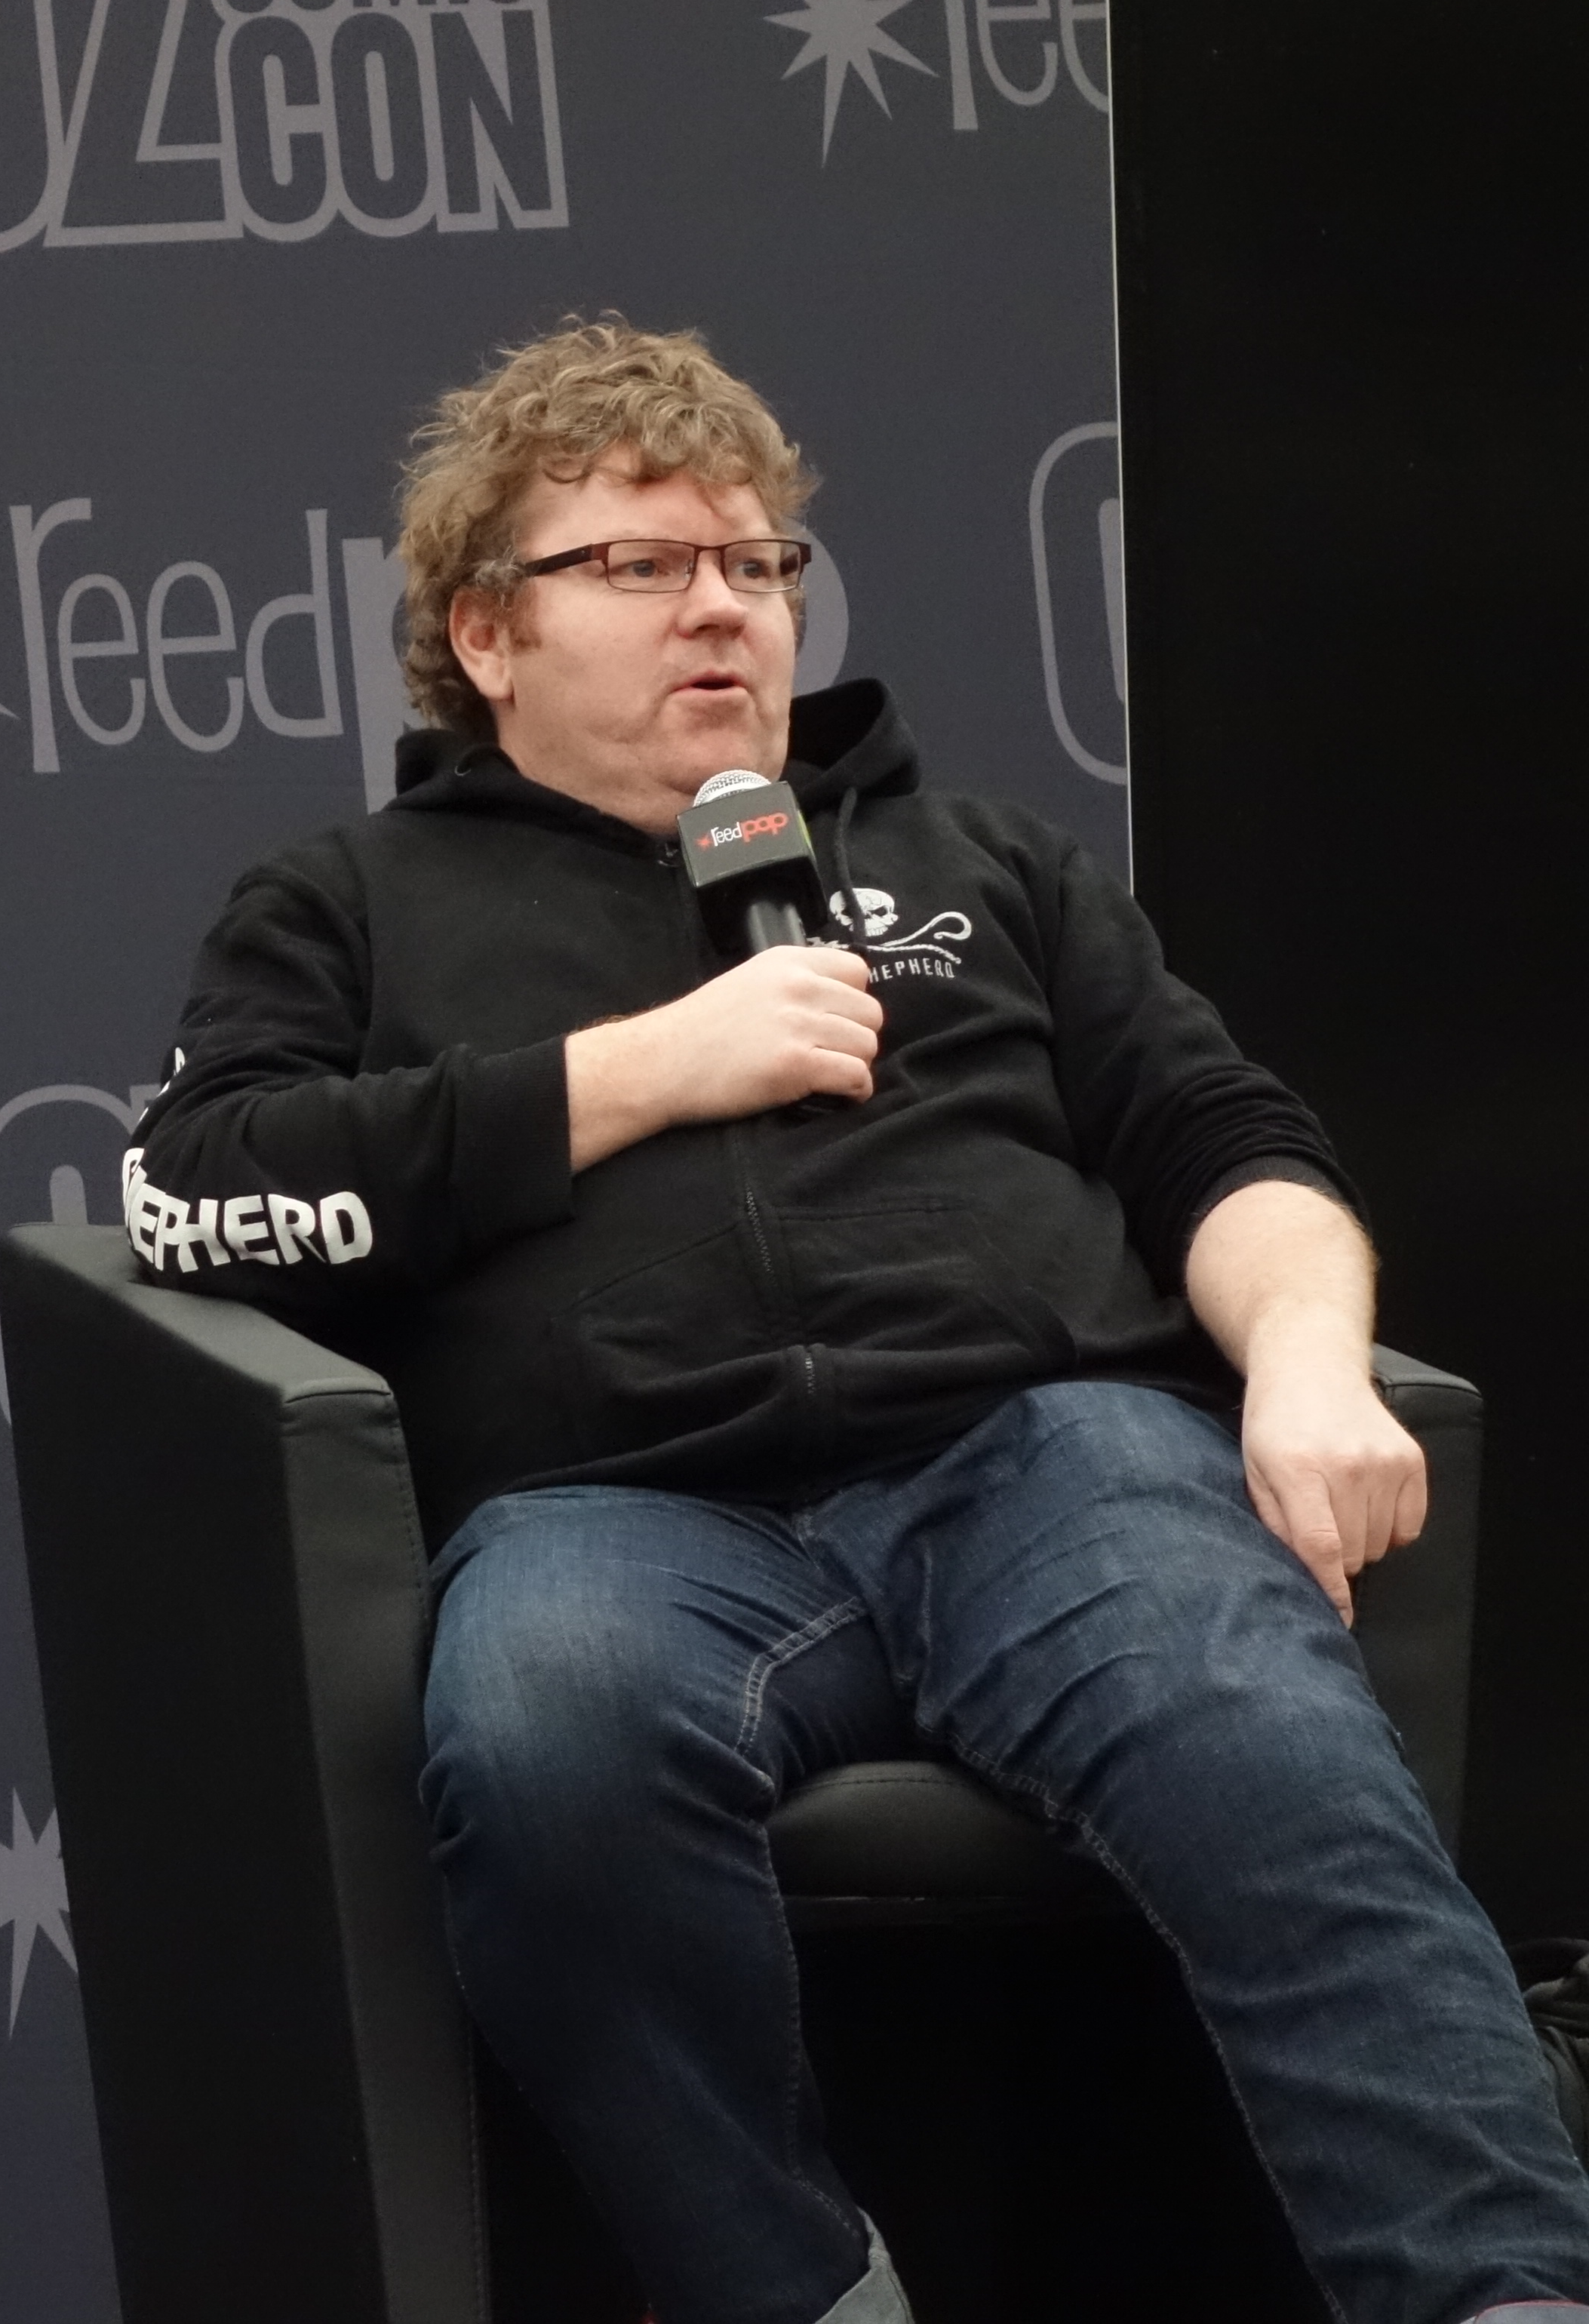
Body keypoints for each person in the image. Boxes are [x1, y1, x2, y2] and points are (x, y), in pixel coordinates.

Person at [118, 319, 1589, 2324]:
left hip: (1045, 1453)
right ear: (486, 633)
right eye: (642, 564)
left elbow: (1225, 1139)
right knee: (542, 1748)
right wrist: (648, 1067)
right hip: (621, 1506)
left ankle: (1503, 2295)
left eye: (758, 562)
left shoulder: (978, 859)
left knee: (1265, 1728)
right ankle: (799, 2293)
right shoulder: (350, 901)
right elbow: (197, 1190)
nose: (721, 607)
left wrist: (1313, 1365)